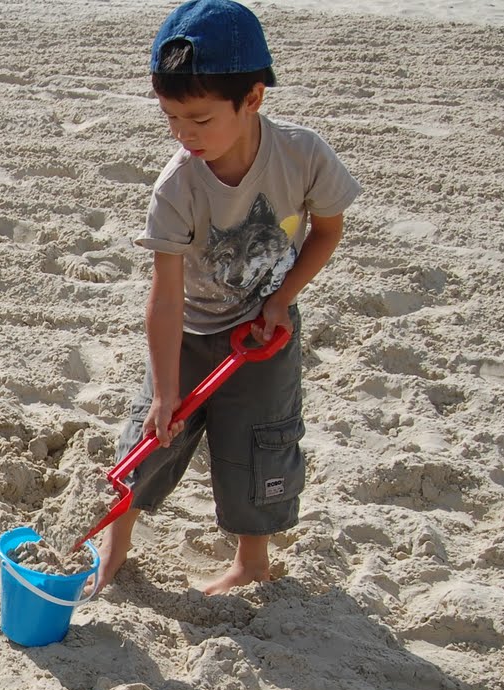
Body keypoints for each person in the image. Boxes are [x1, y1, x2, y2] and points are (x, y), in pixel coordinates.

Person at [93, 0, 360, 594]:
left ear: (253, 98)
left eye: (199, 119)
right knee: (149, 438)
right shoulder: (177, 186)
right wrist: (166, 390)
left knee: (259, 441)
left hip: (265, 329)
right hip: (188, 332)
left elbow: (328, 230)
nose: (183, 134)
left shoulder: (302, 155)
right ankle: (114, 546)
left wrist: (281, 299)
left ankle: (251, 562)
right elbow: (165, 300)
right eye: (171, 118)